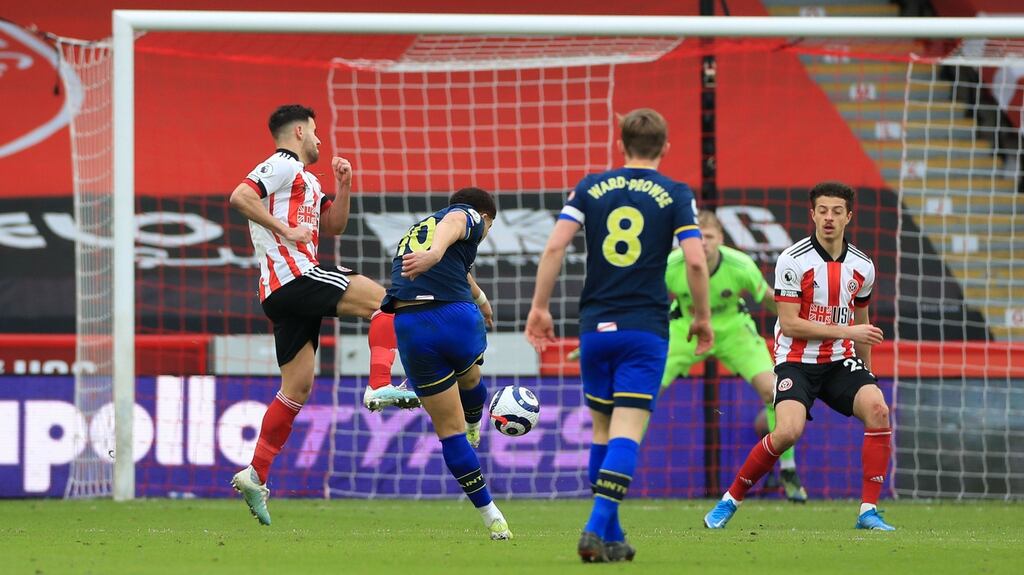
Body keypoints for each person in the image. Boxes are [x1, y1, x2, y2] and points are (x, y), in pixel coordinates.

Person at [527, 108, 714, 562]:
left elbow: (555, 245)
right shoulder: (674, 192)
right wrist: (702, 317)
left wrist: (538, 308)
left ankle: (611, 536)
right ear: (666, 147)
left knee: (602, 428)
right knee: (628, 431)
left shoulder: (591, 186)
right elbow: (693, 260)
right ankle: (593, 529)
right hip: (644, 329)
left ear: (620, 144)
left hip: (595, 327)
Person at [227, 104, 418, 525]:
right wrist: (285, 231)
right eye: (315, 131)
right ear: (298, 131)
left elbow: (333, 226)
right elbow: (240, 196)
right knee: (384, 301)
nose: (319, 139)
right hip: (294, 277)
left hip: (280, 290)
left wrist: (345, 186)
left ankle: (255, 474)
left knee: (297, 386)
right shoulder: (281, 164)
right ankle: (379, 385)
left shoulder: (308, 180)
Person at [703, 181, 894, 531]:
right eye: (822, 211)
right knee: (787, 432)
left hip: (839, 361)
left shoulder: (862, 267)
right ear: (813, 214)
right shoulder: (793, 260)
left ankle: (868, 511)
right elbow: (790, 325)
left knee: (879, 410)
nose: (829, 218)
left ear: (849, 216)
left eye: (837, 211)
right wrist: (849, 332)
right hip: (796, 361)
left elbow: (863, 326)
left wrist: (866, 373)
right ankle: (730, 500)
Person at [380, 187, 510, 541]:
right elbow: (457, 222)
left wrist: (482, 298)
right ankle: (474, 424)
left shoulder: (419, 228)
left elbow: (459, 267)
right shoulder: (467, 216)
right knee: (469, 377)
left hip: (410, 327)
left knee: (447, 433)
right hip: (452, 316)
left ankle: (492, 516)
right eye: (490, 226)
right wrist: (436, 253)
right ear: (485, 217)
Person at [661, 210, 807, 502]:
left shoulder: (739, 265)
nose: (702, 243)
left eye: (709, 236)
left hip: (733, 329)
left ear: (721, 239)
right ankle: (617, 475)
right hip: (685, 329)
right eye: (695, 237)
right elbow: (646, 301)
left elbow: (768, 298)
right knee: (643, 394)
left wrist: (801, 324)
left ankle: (788, 470)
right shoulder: (670, 266)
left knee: (774, 391)